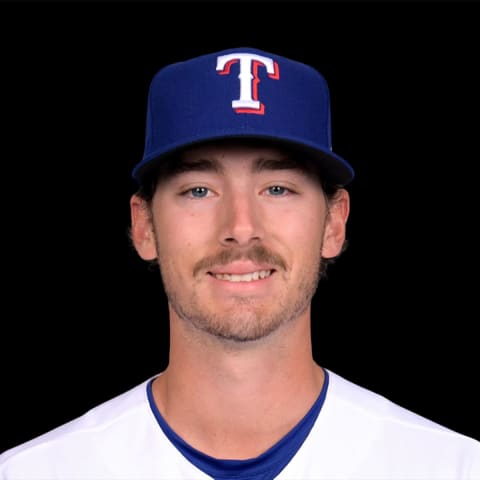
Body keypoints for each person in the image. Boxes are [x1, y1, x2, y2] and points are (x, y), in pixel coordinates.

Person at [1, 46, 479, 480]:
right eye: (199, 190)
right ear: (144, 225)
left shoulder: (450, 467)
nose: (241, 226)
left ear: (334, 223)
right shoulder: (35, 472)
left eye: (277, 189)